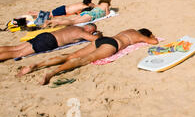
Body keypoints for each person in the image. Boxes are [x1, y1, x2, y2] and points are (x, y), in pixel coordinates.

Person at [17, 28, 158, 85]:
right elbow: (154, 42)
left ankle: (35, 66)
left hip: (103, 39)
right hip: (112, 44)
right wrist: (150, 37)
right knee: (82, 61)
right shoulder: (139, 35)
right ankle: (51, 73)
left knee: (71, 55)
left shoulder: (130, 30)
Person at [0, 24, 99, 61]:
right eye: (92, 31)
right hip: (49, 41)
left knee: (15, 48)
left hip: (45, 35)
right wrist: (98, 34)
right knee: (18, 53)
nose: (91, 32)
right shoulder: (81, 32)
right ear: (88, 28)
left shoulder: (74, 27)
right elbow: (95, 39)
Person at [43, 0, 111, 27]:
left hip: (86, 13)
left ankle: (52, 21)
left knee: (70, 19)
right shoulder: (106, 4)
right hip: (91, 15)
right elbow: (107, 14)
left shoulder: (98, 5)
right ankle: (54, 22)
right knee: (73, 22)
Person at [29, 0, 94, 18]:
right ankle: (34, 14)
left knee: (50, 13)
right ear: (88, 3)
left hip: (63, 8)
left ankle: (34, 12)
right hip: (64, 11)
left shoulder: (81, 3)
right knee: (50, 15)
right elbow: (90, 7)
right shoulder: (84, 6)